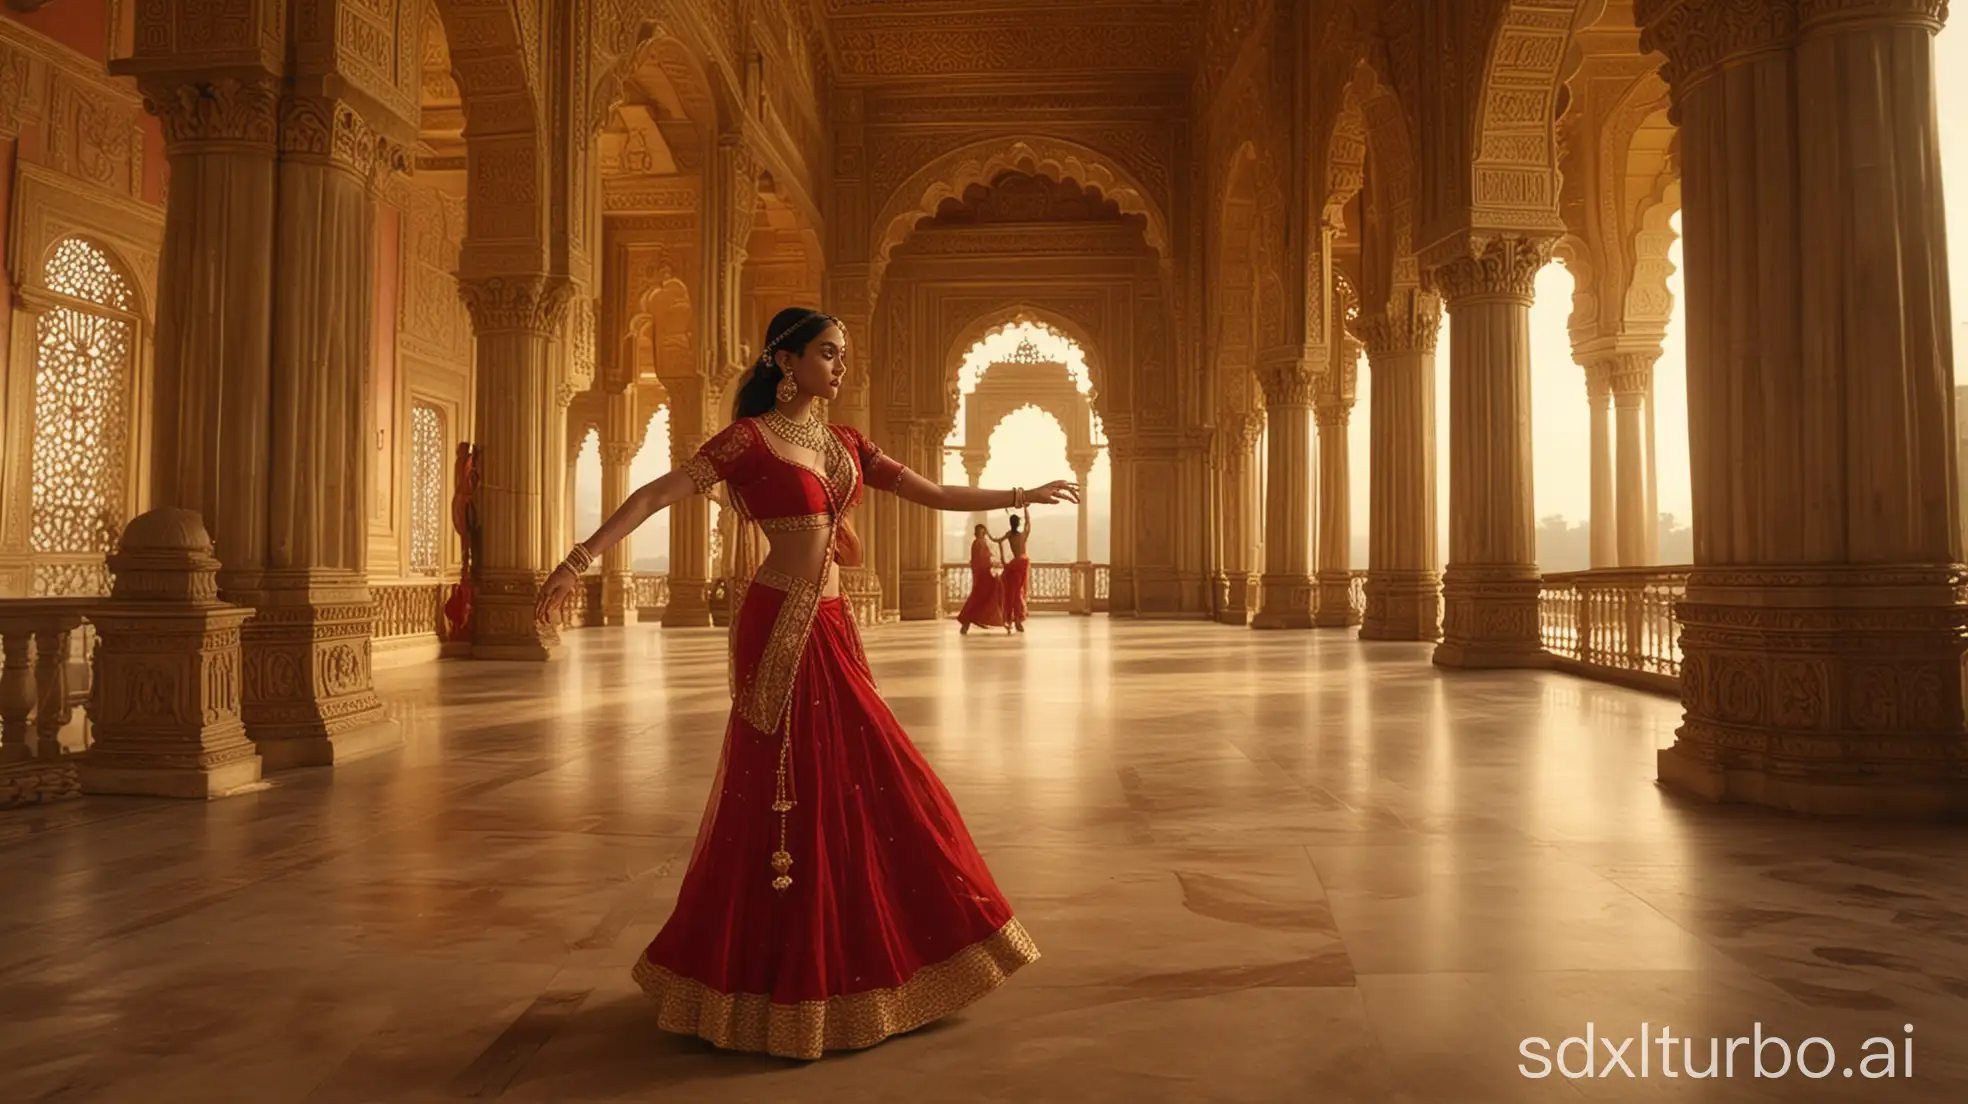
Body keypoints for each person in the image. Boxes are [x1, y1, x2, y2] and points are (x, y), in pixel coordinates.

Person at [534, 307, 1079, 1061]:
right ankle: (761, 978)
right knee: (785, 789)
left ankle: (870, 963)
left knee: (867, 777)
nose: (840, 367)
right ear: (786, 362)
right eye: (828, 354)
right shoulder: (747, 440)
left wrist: (1018, 492)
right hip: (777, 624)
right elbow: (656, 495)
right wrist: (578, 560)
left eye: (844, 355)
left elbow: (929, 491)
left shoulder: (843, 443)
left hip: (831, 625)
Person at [956, 522, 1010, 635]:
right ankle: (999, 620)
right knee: (981, 597)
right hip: (982, 575)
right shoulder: (977, 543)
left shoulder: (982, 543)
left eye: (983, 531)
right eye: (980, 531)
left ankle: (996, 619)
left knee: (984, 597)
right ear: (976, 533)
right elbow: (978, 561)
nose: (982, 533)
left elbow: (984, 559)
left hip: (985, 574)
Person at [996, 506, 1032, 632]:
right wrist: (1026, 509)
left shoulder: (1009, 535)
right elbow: (1028, 523)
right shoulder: (1022, 535)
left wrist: (1002, 559)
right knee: (1017, 593)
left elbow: (998, 541)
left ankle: (1013, 619)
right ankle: (1016, 619)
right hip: (1021, 563)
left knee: (1012, 593)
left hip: (1014, 565)